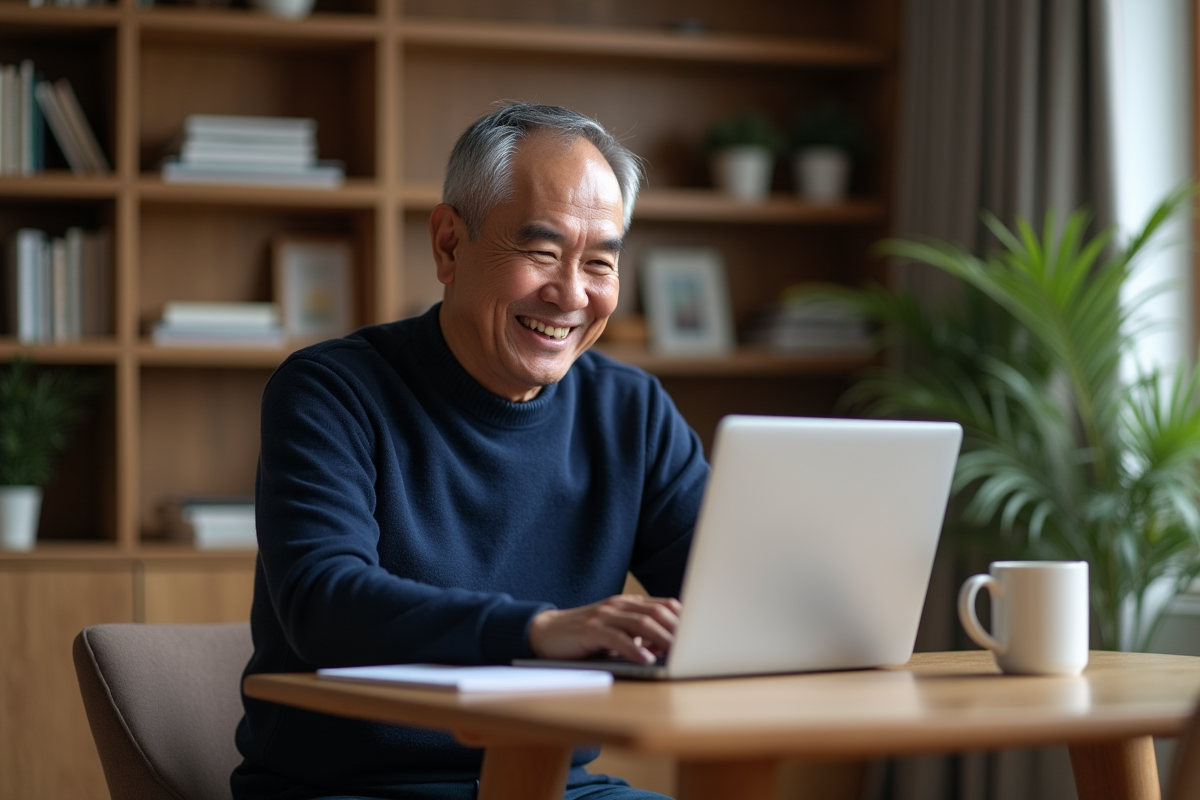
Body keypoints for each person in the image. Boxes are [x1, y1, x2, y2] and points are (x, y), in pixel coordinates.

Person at [231, 103, 710, 800]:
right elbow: (323, 601)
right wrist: (539, 631)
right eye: (542, 252)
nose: (571, 294)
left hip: (555, 785)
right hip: (350, 791)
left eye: (599, 262)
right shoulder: (331, 390)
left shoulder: (630, 411)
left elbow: (723, 591)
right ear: (449, 245)